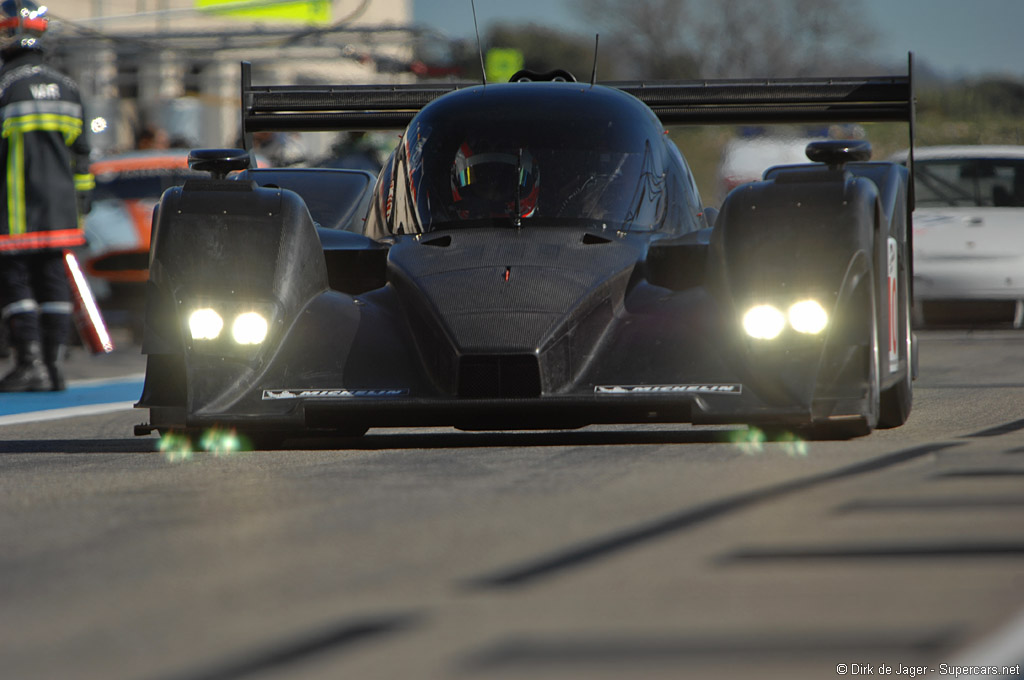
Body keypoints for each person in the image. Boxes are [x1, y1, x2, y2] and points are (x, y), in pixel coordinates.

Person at [0, 0, 93, 391]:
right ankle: (53, 367)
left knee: (14, 282)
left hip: (13, 208)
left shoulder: (4, 87)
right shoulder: (69, 90)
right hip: (61, 211)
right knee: (54, 283)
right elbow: (83, 158)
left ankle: (30, 363)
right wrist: (81, 207)